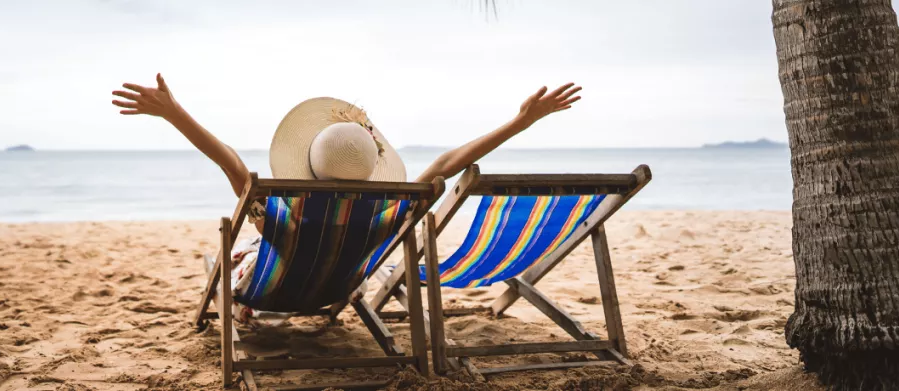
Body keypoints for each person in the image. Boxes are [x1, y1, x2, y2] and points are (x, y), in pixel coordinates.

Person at [111, 74, 581, 328]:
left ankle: (240, 309)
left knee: (236, 254)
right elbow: (446, 165)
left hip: (267, 290)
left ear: (307, 164)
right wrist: (521, 123)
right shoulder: (387, 213)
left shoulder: (282, 213)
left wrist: (174, 114)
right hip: (336, 290)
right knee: (271, 251)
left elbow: (233, 165)